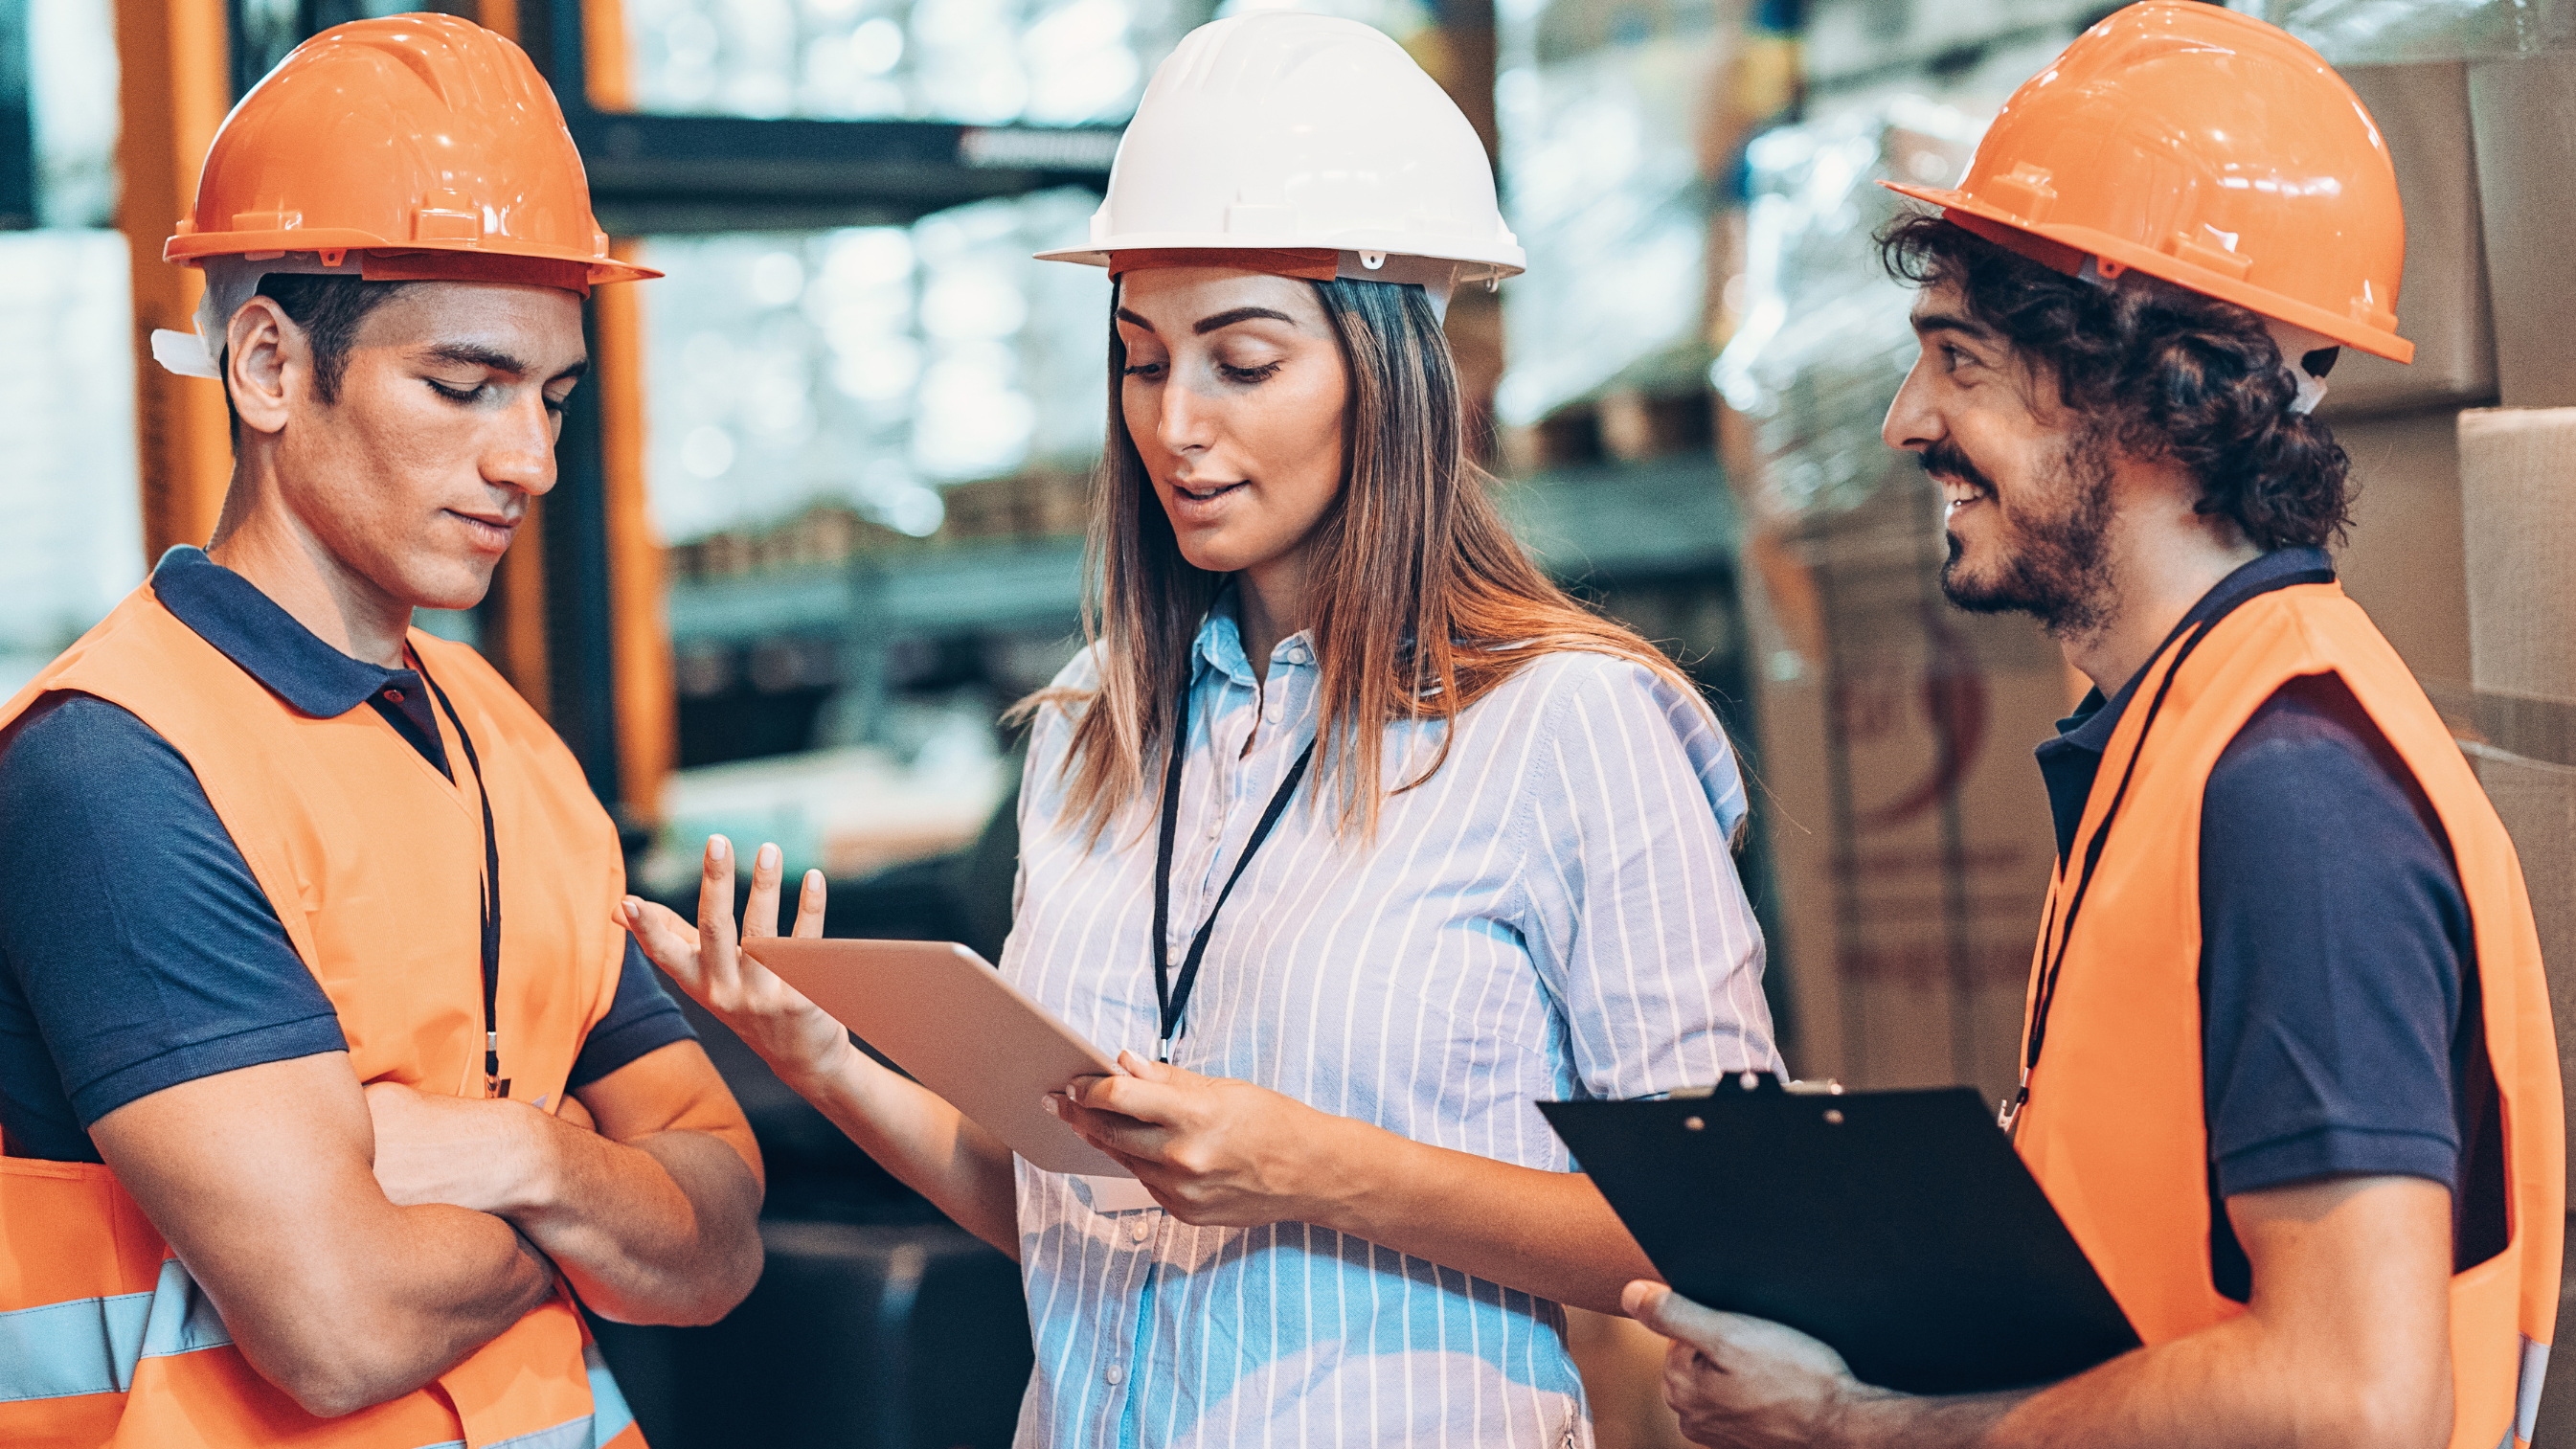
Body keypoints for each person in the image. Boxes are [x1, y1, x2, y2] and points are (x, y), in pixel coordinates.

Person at [620, 11, 1778, 1445]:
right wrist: (824, 1058)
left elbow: (1733, 1236)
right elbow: (1064, 1218)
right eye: (1141, 358)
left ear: (1389, 368)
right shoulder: (1094, 734)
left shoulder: (1567, 726)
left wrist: (1314, 1168)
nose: (1173, 422)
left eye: (1241, 361)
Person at [1622, 5, 2564, 1447]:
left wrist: (1859, 1425)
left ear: (2151, 390)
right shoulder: (2185, 730)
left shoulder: (2289, 789)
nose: (1902, 419)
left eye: (1959, 358)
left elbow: (2353, 1399)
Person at [0, 17, 763, 1447]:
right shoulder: (114, 772)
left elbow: (720, 1241)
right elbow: (337, 1323)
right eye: (463, 388)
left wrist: (516, 1153)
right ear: (274, 370)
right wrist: (604, 1200)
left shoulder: (503, 742)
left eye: (550, 396)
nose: (527, 458)